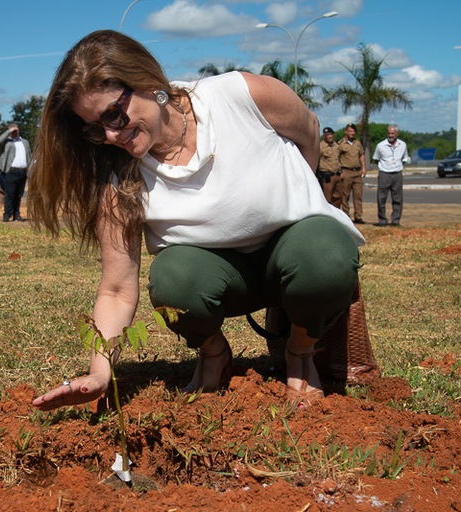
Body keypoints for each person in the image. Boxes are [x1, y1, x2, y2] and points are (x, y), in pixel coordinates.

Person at [29, 30, 364, 413]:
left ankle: (300, 351)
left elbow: (308, 130)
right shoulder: (120, 183)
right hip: (223, 282)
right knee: (173, 277)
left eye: (112, 114)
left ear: (148, 83)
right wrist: (100, 373)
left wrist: (298, 197)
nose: (109, 134)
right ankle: (215, 353)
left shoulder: (243, 95)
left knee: (324, 250)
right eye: (94, 128)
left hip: (294, 255)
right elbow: (117, 289)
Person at [372, 125, 408, 226]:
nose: (390, 135)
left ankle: (396, 220)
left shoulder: (403, 145)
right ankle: (382, 220)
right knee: (381, 198)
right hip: (384, 173)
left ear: (397, 133)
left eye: (393, 133)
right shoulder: (380, 145)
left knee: (398, 198)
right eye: (389, 133)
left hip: (397, 173)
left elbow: (404, 158)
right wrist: (385, 166)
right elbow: (376, 159)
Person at [0, 123, 31, 222]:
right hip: (11, 171)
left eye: (16, 130)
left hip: (22, 171)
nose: (15, 132)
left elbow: (28, 155)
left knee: (19, 195)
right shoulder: (7, 141)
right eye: (13, 130)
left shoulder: (25, 142)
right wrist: (9, 131)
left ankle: (17, 214)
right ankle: (7, 214)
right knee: (9, 194)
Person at [338, 123, 367, 224]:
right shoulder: (341, 144)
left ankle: (358, 216)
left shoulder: (357, 143)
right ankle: (346, 216)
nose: (352, 133)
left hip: (357, 172)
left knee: (358, 195)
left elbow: (361, 155)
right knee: (345, 196)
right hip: (346, 172)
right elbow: (336, 158)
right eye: (350, 131)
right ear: (346, 132)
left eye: (354, 131)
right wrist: (339, 171)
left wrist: (364, 168)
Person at [317, 127, 342, 207]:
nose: (330, 136)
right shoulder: (320, 146)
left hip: (337, 175)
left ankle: (337, 215)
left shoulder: (336, 145)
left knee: (338, 197)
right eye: (327, 135)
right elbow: (316, 160)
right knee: (327, 199)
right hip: (327, 177)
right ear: (324, 136)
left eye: (331, 134)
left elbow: (339, 159)